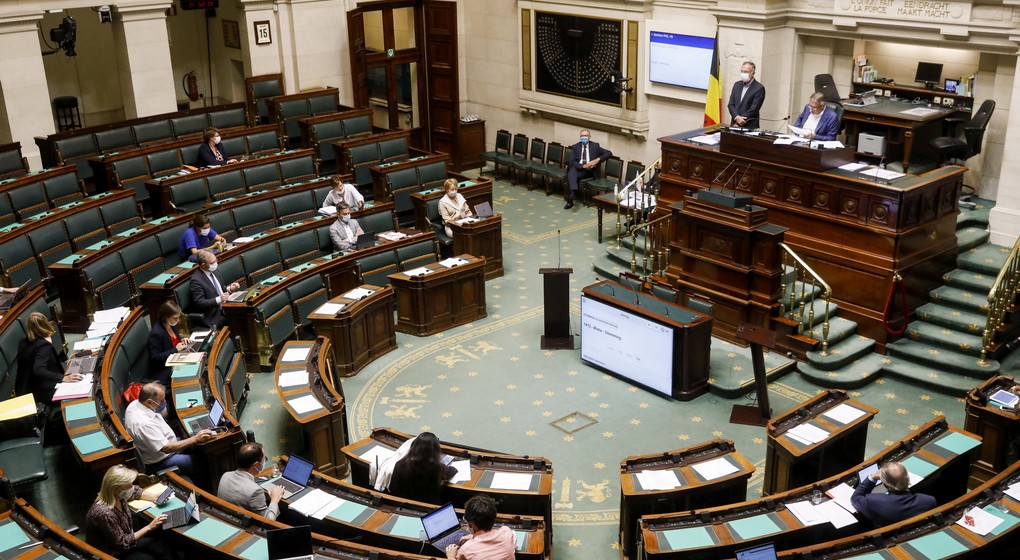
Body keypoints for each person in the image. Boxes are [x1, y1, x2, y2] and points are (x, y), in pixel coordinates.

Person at [124, 381, 214, 480]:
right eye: (161, 401)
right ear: (149, 402)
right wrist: (195, 439)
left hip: (168, 442)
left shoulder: (135, 404)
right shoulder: (143, 424)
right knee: (202, 461)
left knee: (196, 442)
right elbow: (167, 448)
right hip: (162, 460)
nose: (164, 403)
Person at [85, 464, 174, 560]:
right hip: (112, 553)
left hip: (129, 541)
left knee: (163, 548)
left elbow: (135, 491)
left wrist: (154, 498)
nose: (132, 486)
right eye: (128, 485)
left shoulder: (118, 496)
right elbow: (122, 544)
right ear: (116, 488)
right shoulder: (104, 514)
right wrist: (150, 527)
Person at [16, 312, 81, 405]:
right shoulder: (43, 346)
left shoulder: (23, 340)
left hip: (25, 389)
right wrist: (63, 378)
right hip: (39, 392)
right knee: (76, 397)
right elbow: (38, 370)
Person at [851, 461, 936, 527]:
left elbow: (855, 497)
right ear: (908, 479)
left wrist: (872, 477)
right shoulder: (928, 501)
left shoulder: (874, 501)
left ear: (885, 484)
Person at [217, 442, 285, 520]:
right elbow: (267, 521)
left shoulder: (225, 475)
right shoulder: (255, 491)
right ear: (256, 465)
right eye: (264, 459)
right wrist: (274, 500)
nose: (264, 462)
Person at [388, 431, 457, 503]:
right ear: (435, 450)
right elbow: (453, 471)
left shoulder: (400, 464)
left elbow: (392, 489)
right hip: (428, 505)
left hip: (404, 504)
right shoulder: (437, 467)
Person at [445, 495, 516, 560]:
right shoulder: (506, 533)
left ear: (470, 524)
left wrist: (451, 557)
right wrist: (474, 537)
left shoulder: (466, 550)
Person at [189, 250, 241, 329]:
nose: (216, 263)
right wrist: (219, 299)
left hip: (225, 308)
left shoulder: (214, 271)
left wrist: (230, 288)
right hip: (214, 315)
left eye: (216, 260)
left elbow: (221, 288)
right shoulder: (196, 281)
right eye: (212, 262)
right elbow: (200, 303)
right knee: (239, 320)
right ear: (203, 265)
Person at [564, 129, 612, 210]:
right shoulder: (576, 147)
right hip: (580, 169)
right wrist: (583, 166)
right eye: (582, 136)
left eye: (586, 136)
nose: (584, 137)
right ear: (580, 137)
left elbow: (609, 153)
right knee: (572, 170)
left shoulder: (595, 146)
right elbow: (571, 162)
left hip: (590, 171)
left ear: (589, 137)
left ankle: (571, 197)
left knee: (571, 175)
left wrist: (598, 159)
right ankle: (572, 196)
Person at [147, 301, 191, 387]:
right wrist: (175, 349)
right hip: (164, 368)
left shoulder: (172, 325)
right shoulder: (156, 333)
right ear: (166, 317)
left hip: (176, 358)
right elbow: (155, 358)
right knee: (190, 374)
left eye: (178, 318)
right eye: (175, 318)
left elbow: (174, 341)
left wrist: (182, 340)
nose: (178, 321)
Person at [727, 61, 766, 129]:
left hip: (749, 125)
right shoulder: (737, 85)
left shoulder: (759, 88)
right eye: (742, 71)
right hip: (734, 124)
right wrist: (737, 117)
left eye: (746, 72)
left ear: (753, 73)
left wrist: (740, 120)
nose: (743, 74)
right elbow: (731, 104)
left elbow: (754, 108)